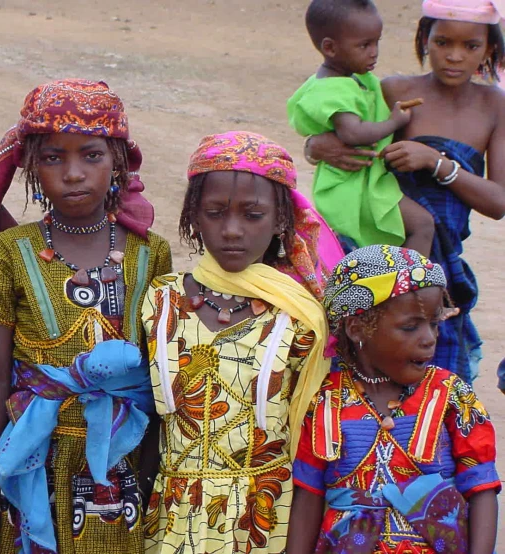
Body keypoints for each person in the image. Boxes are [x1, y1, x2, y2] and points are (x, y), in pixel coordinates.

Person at [0, 79, 172, 554]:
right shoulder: (11, 253)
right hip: (34, 459)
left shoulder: (150, 254)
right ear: (31, 166)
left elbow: (156, 375)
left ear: (118, 160)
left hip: (121, 464)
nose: (73, 173)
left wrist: (153, 472)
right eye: (54, 157)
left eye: (91, 155)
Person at [141, 131, 341, 554]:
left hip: (270, 520)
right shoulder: (160, 301)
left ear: (281, 220)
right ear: (193, 215)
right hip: (171, 520)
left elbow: (312, 440)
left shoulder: (300, 315)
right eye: (215, 212)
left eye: (252, 215)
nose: (232, 230)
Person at [304, 0, 505, 383]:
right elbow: (349, 134)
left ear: (490, 48)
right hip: (374, 255)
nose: (454, 56)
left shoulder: (494, 105)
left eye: (471, 46)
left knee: (434, 383)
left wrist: (435, 163)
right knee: (359, 373)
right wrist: (315, 146)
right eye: (443, 42)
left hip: (438, 264)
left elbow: (498, 202)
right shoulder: (395, 91)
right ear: (424, 39)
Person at [286, 244, 500, 554]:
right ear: (358, 328)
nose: (429, 338)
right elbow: (308, 496)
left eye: (434, 324)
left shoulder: (451, 396)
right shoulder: (324, 401)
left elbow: (481, 487)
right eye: (410, 327)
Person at [287, 0, 434, 255]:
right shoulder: (334, 89)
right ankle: (410, 285)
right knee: (422, 224)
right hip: (352, 187)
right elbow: (352, 133)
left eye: (377, 42)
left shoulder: (350, 80)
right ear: (330, 48)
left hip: (356, 182)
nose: (374, 52)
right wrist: (394, 122)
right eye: (364, 45)